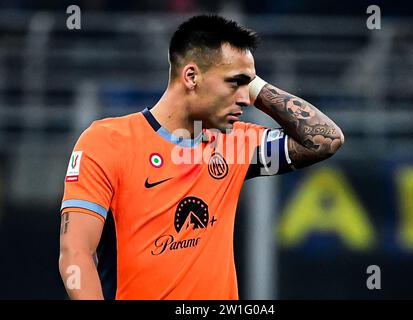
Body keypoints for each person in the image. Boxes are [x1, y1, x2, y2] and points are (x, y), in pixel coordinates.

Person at [59, 14, 344, 300]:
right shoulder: (107, 142)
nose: (246, 99)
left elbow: (325, 140)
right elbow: (76, 253)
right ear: (191, 77)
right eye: (235, 83)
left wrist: (251, 81)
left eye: (249, 86)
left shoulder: (235, 145)